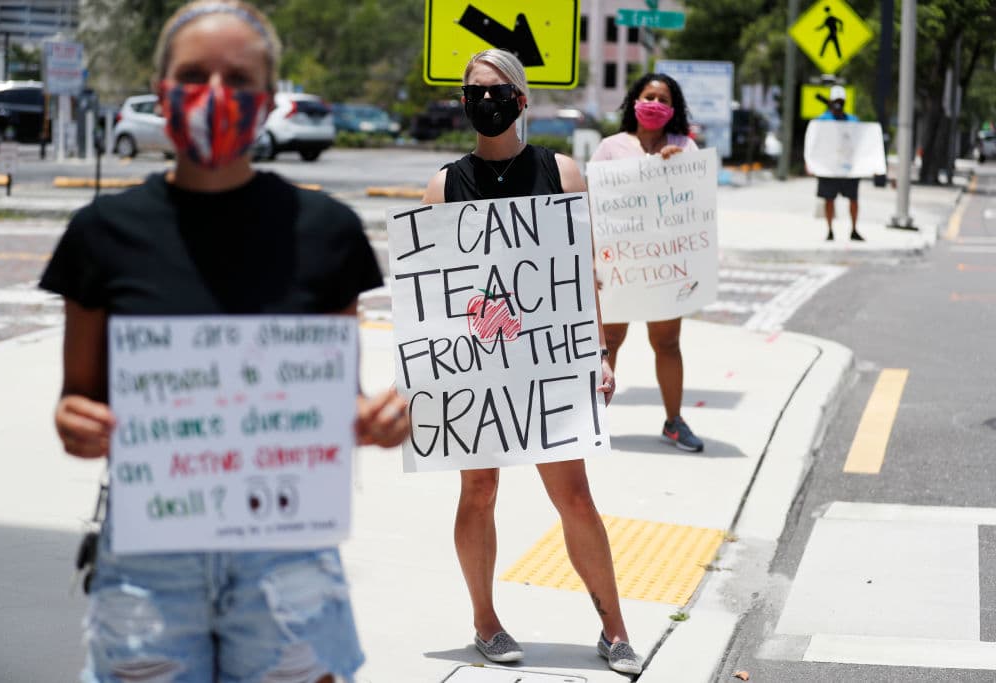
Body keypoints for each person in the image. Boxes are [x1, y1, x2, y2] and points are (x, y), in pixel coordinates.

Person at [39, 2, 410, 681]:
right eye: (193, 74)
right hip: (150, 560)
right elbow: (75, 402)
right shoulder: (102, 234)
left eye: (238, 80)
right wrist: (76, 423)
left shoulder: (326, 231)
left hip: (287, 556)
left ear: (269, 100)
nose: (215, 94)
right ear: (160, 92)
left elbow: (336, 398)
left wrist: (370, 420)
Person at [421, 49, 642, 676]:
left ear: (520, 99)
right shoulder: (445, 185)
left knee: (573, 495)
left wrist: (598, 353)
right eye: (472, 92)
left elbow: (582, 277)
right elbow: (433, 292)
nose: (482, 101)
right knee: (479, 488)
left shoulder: (562, 172)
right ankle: (485, 623)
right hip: (477, 363)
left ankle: (615, 628)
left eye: (495, 90)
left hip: (546, 363)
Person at [589, 73, 705, 454]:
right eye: (648, 96)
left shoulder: (684, 147)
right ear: (634, 101)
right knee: (610, 343)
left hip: (665, 264)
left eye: (663, 99)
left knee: (668, 343)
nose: (655, 103)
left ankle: (674, 422)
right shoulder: (610, 148)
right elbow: (591, 204)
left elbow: (697, 202)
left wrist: (677, 167)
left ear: (673, 110)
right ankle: (591, 421)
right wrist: (590, 257)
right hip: (619, 263)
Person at [816, 85, 864, 242]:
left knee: (853, 199)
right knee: (829, 199)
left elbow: (861, 142)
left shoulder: (853, 120)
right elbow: (815, 143)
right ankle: (829, 230)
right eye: (836, 101)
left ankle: (854, 229)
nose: (838, 104)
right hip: (829, 168)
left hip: (848, 168)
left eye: (841, 101)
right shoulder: (822, 121)